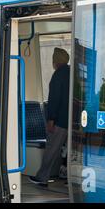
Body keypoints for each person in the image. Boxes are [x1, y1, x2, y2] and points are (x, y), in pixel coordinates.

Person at [29, 47, 70, 187]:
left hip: (60, 121)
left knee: (51, 148)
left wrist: (51, 120)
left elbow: (54, 99)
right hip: (73, 121)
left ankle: (42, 177)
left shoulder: (58, 75)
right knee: (71, 151)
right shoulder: (73, 73)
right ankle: (70, 180)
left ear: (56, 61)